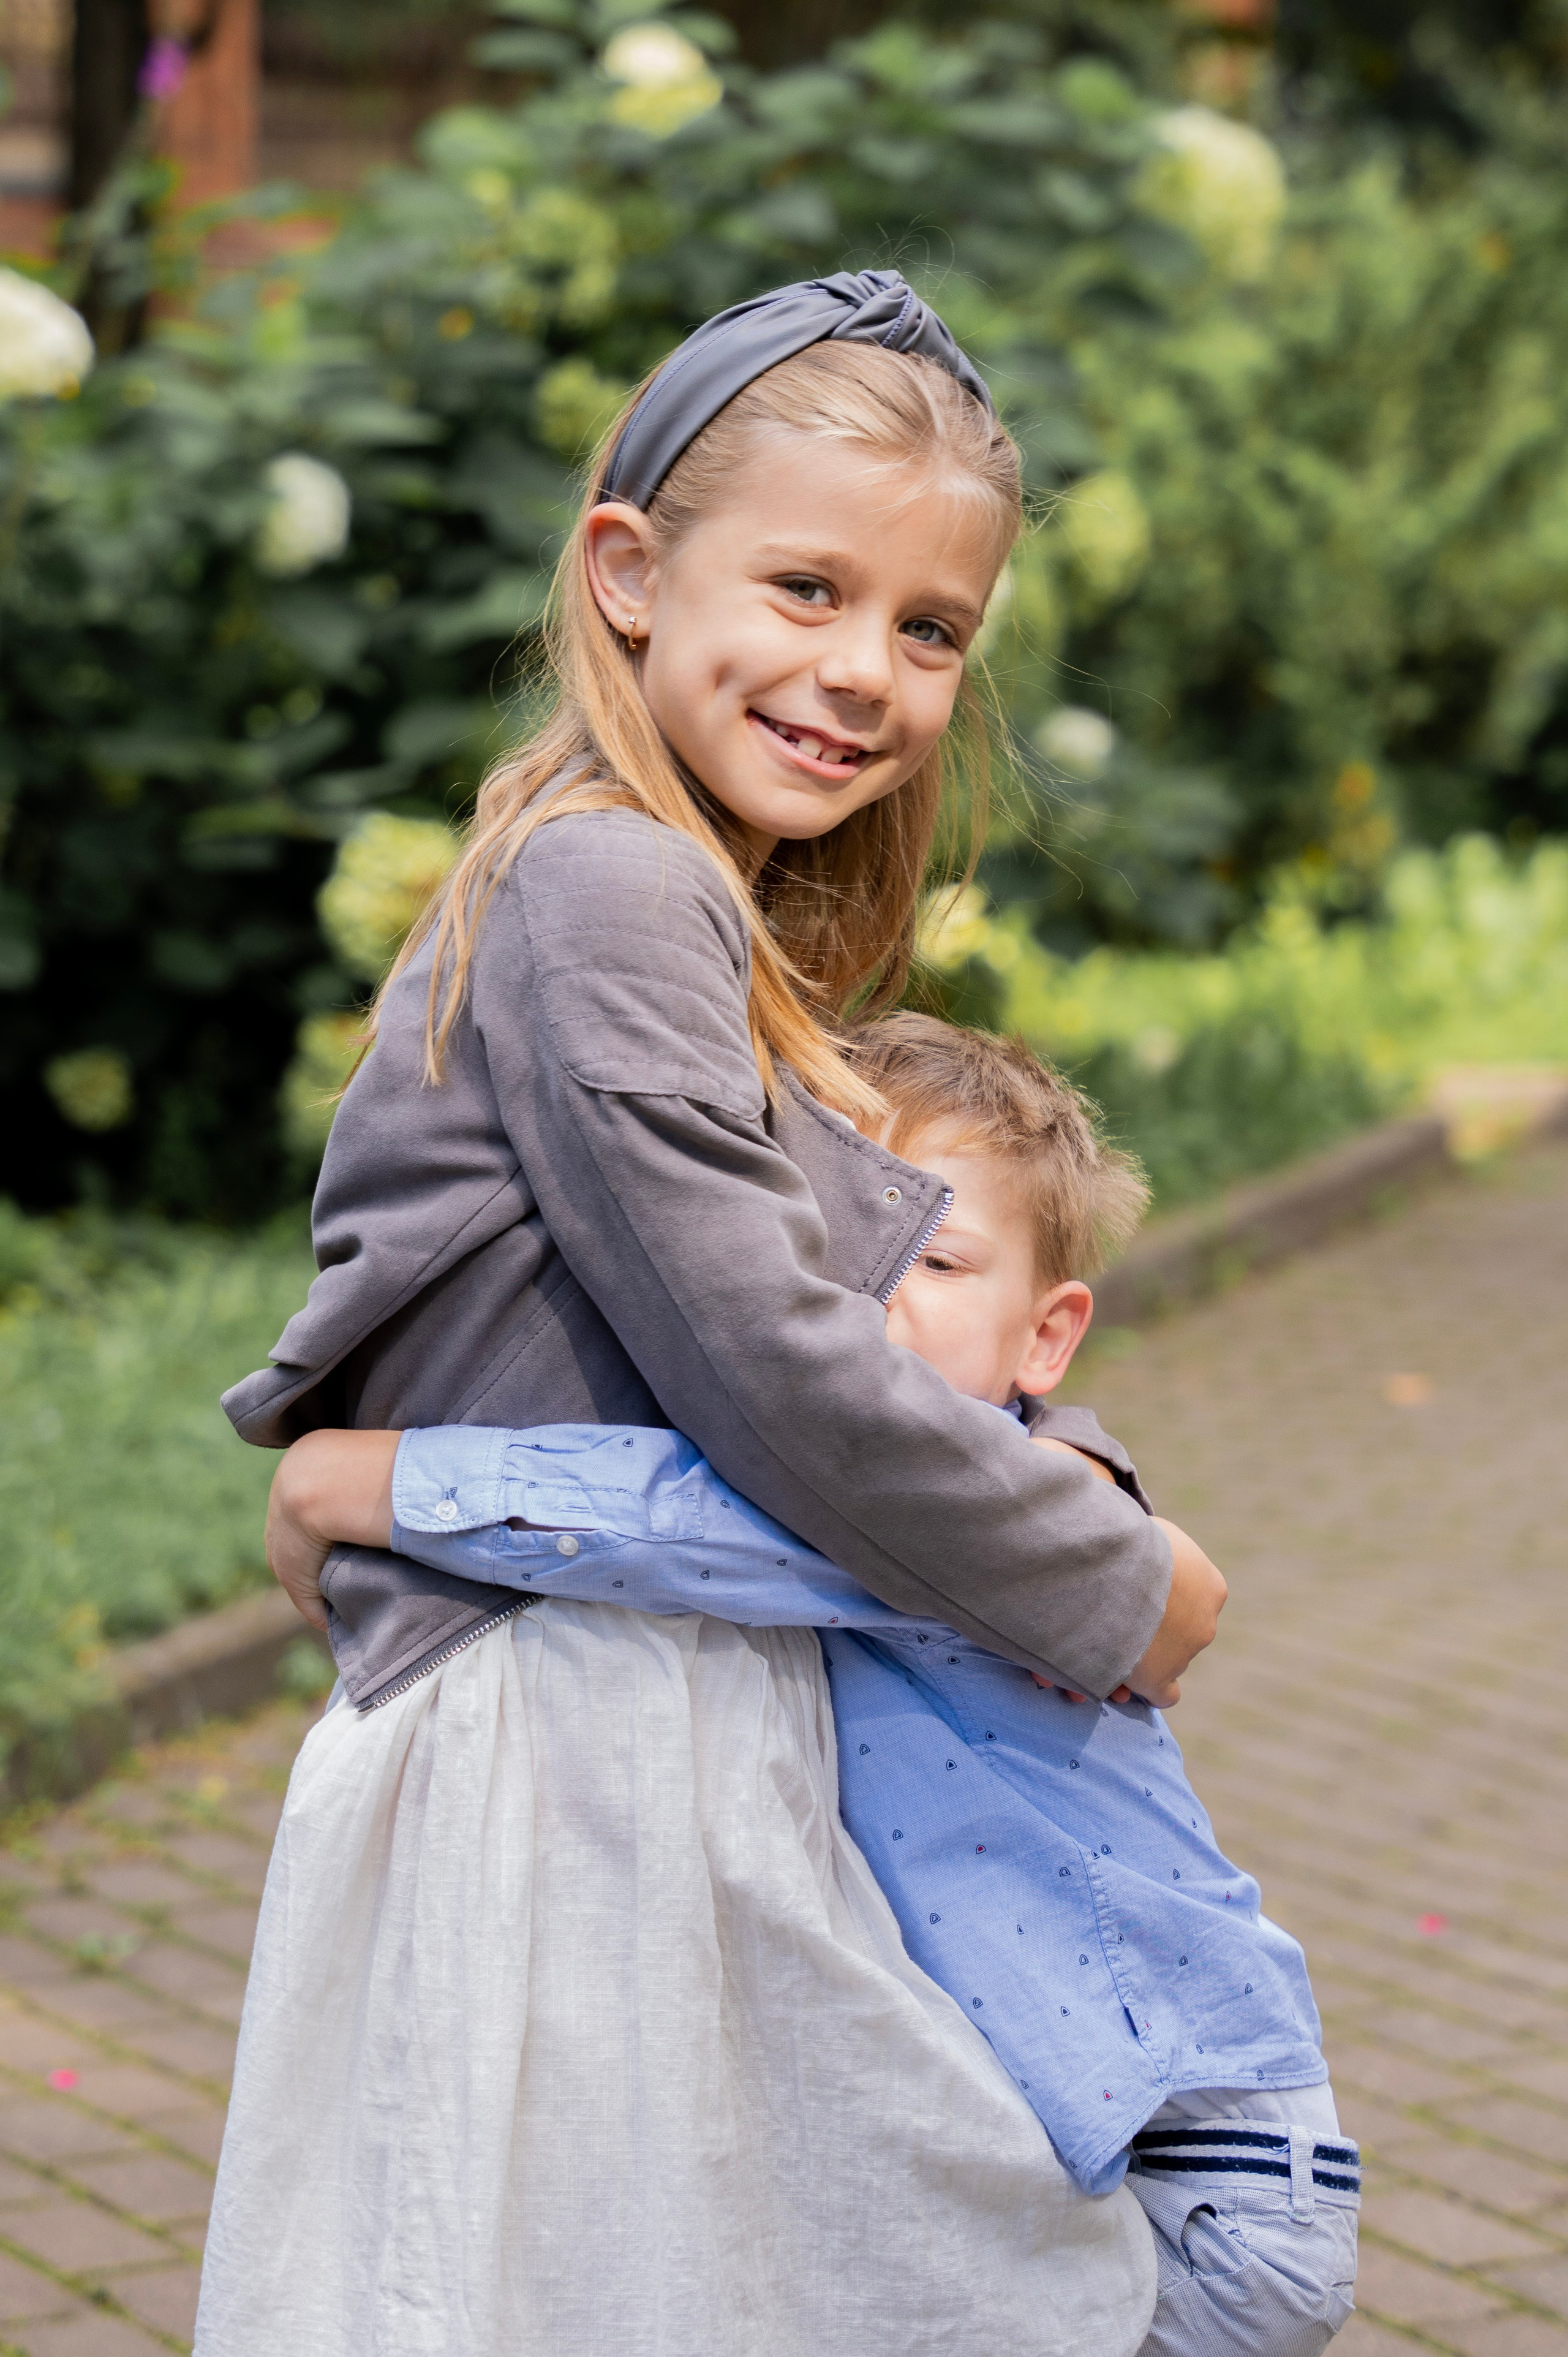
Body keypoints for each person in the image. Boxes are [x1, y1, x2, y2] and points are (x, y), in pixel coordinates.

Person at [197, 273, 1227, 2357]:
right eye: (809, 588)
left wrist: (1084, 1471)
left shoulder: (676, 892)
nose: (864, 671)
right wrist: (1113, 1584)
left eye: (929, 629)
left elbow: (841, 1342)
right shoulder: (614, 887)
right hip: (574, 1728)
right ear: (631, 572)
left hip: (647, 1693)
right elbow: (772, 1365)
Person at [270, 1013, 1360, 2357]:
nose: (873, 1295)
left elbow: (675, 1519)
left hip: (1197, 2198)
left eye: (938, 1259)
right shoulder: (943, 1482)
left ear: (1046, 1335)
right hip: (1091, 2163)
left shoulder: (984, 1522)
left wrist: (373, 1481)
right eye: (819, 1252)